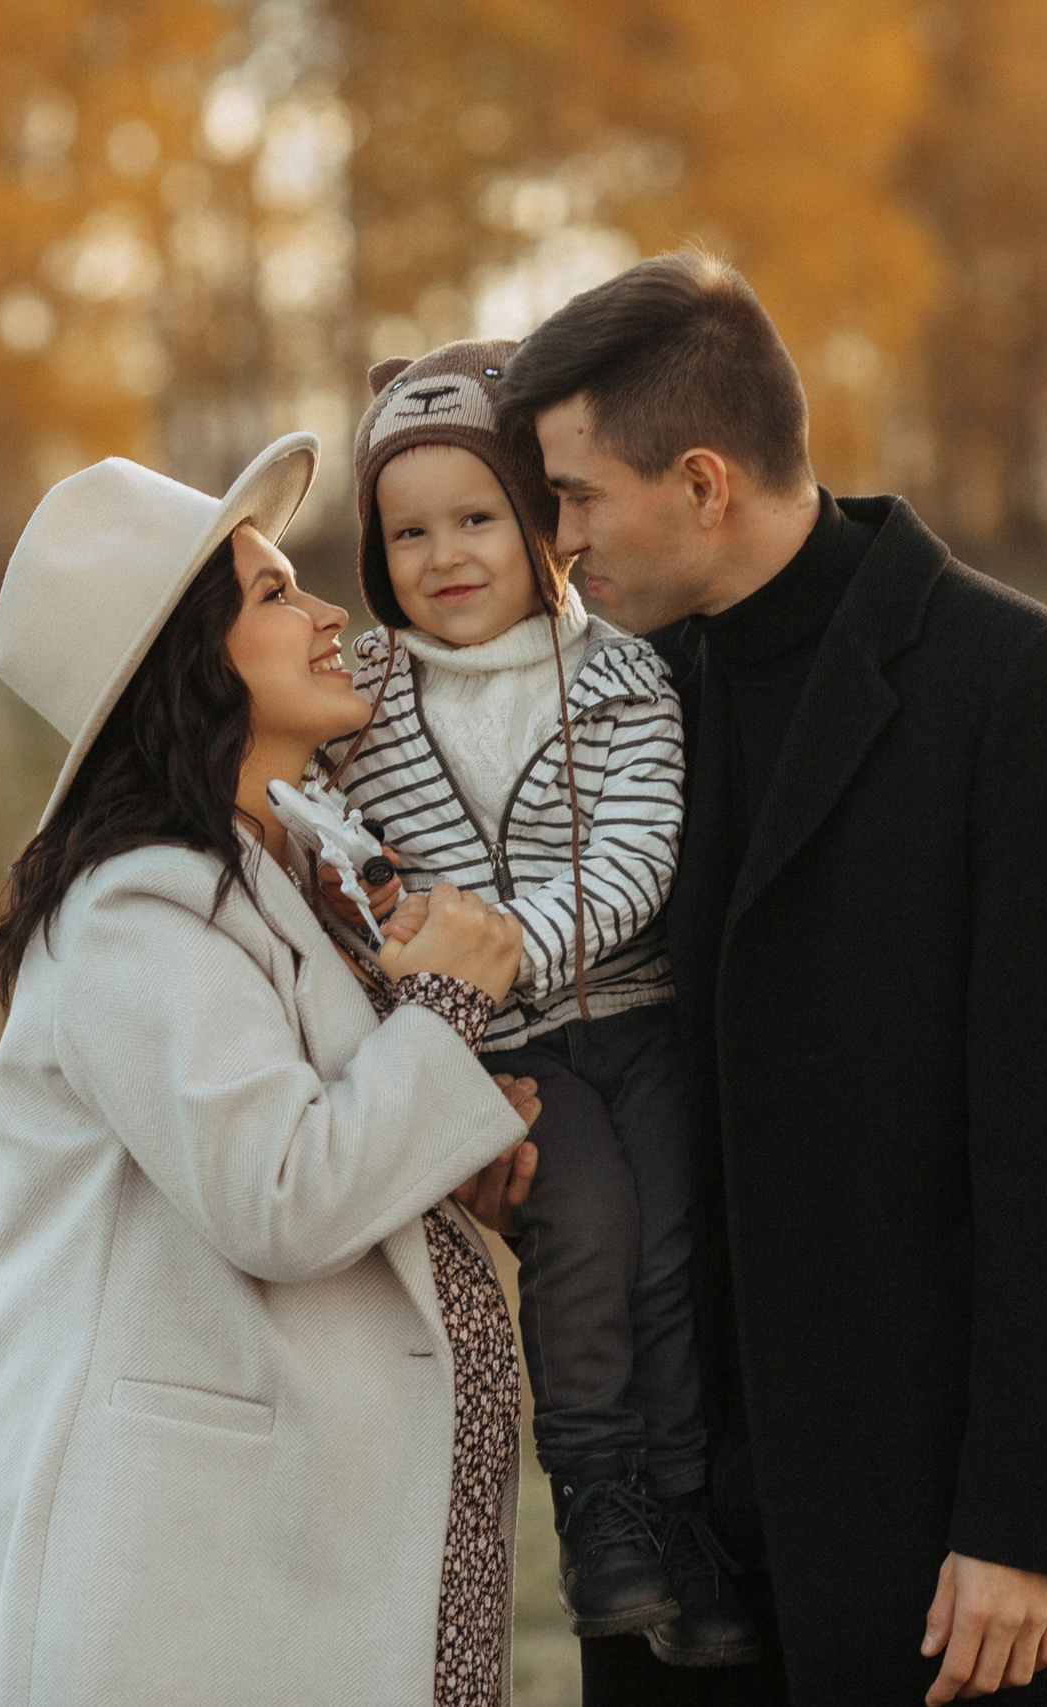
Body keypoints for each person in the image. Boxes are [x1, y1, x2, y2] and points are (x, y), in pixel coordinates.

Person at [499, 254, 1047, 1706]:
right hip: (687, 1553)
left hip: (937, 1537)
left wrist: (1030, 1519)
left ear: (701, 481)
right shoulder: (616, 710)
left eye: (576, 496)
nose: (557, 544)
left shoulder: (1024, 690)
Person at [0, 432, 549, 1707]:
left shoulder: (288, 878)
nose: (330, 612)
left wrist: (452, 1166)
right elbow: (279, 1191)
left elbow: (323, 1140)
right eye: (274, 595)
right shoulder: (133, 913)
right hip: (183, 1572)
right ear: (187, 663)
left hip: (285, 1550)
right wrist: (447, 1004)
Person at [321, 339, 761, 1666]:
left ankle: (682, 1503)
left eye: (475, 517)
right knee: (585, 1232)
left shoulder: (620, 675)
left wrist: (507, 935)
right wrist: (400, 926)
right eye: (407, 530)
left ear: (536, 523)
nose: (443, 554)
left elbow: (636, 854)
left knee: (670, 1250)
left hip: (631, 1017)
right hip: (509, 1046)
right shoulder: (369, 702)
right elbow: (344, 856)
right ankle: (599, 1497)